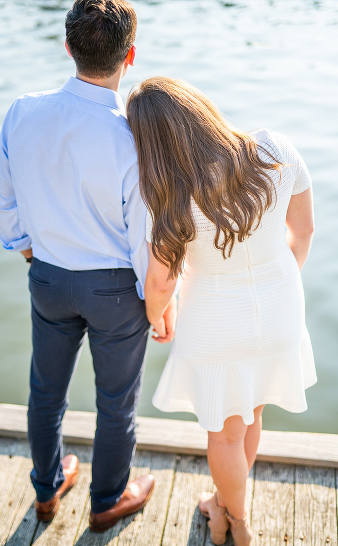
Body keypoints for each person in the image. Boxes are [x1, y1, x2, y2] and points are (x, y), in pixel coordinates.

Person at [0, 0, 161, 532]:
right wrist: (156, 304)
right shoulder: (132, 133)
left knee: (46, 391)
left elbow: (4, 201)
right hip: (115, 291)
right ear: (130, 56)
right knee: (116, 404)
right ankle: (107, 500)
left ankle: (46, 490)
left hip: (47, 277)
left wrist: (26, 249)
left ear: (67, 47)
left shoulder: (22, 110)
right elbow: (143, 238)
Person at [127, 77, 316, 545]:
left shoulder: (168, 196)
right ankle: (224, 504)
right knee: (250, 416)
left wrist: (156, 316)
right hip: (280, 309)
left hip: (214, 320)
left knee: (226, 434)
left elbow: (160, 281)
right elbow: (305, 230)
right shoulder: (275, 149)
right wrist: (279, 283)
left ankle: (236, 521)